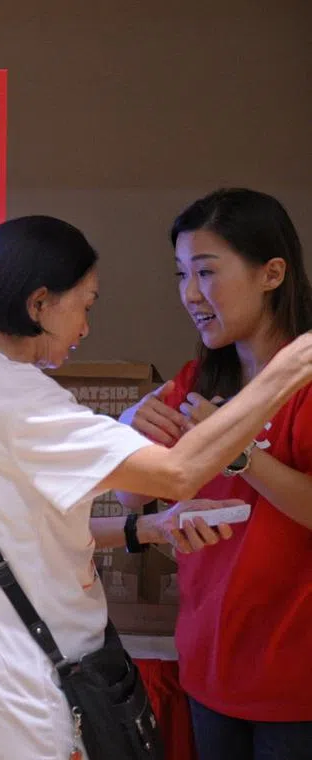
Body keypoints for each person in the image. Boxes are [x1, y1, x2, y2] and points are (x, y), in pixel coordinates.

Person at [0, 214, 312, 760]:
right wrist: (289, 371)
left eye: (205, 272)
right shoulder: (17, 398)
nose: (86, 329)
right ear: (39, 304)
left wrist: (150, 527)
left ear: (273, 274)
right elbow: (174, 474)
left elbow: (32, 530)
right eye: (85, 306)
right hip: (21, 700)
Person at [116, 188, 312, 759]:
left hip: (296, 679)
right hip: (209, 666)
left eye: (206, 272)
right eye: (181, 274)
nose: (190, 295)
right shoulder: (194, 381)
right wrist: (131, 428)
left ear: (272, 272)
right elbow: (130, 497)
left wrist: (241, 453)